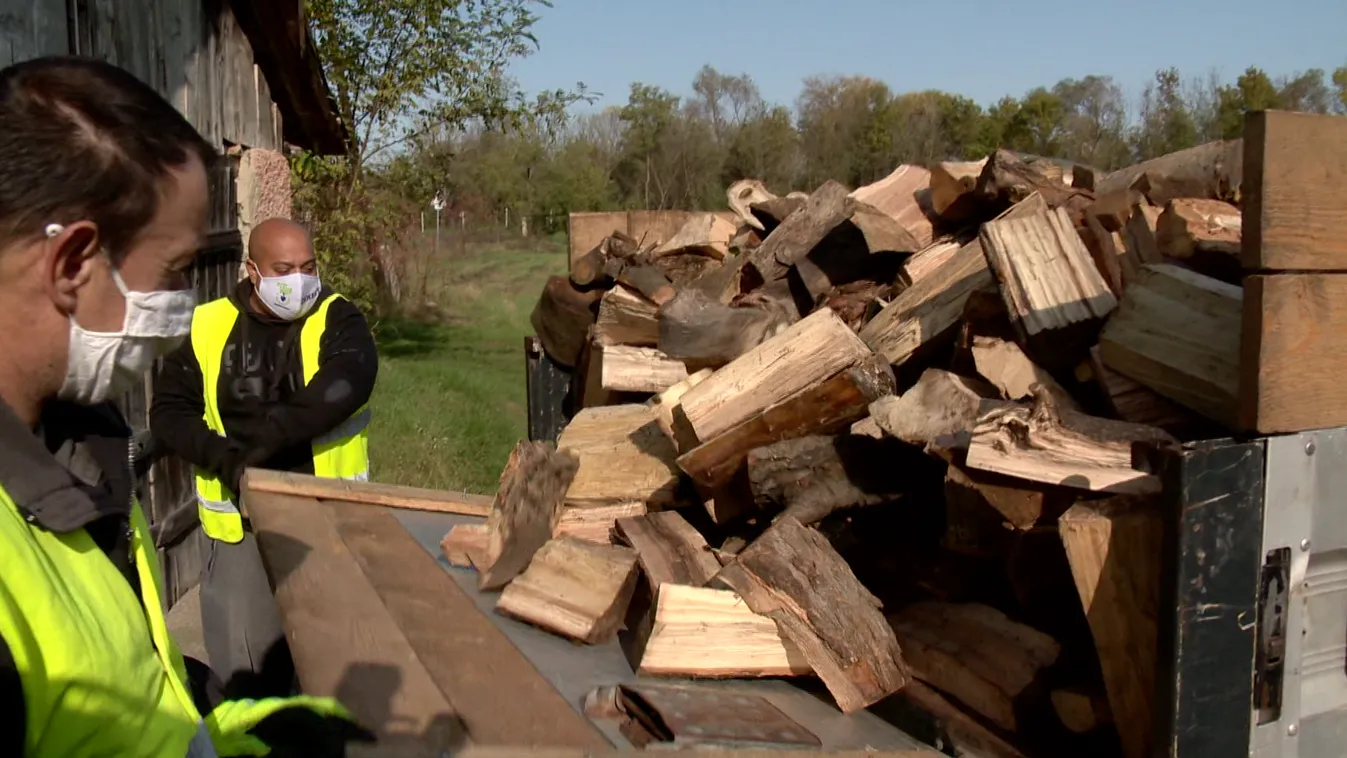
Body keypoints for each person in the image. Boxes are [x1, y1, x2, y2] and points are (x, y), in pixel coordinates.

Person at [0, 56, 370, 757]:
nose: (176, 311)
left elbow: (130, 711)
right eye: (171, 274)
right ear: (72, 262)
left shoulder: (77, 445)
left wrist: (250, 735)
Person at [151, 217, 377, 699]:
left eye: (308, 266)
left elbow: (348, 382)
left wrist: (267, 439)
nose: (299, 280)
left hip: (325, 520)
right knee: (247, 671)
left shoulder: (338, 317)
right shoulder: (207, 325)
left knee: (337, 664)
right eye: (284, 268)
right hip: (241, 528)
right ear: (252, 270)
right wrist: (228, 461)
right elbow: (169, 412)